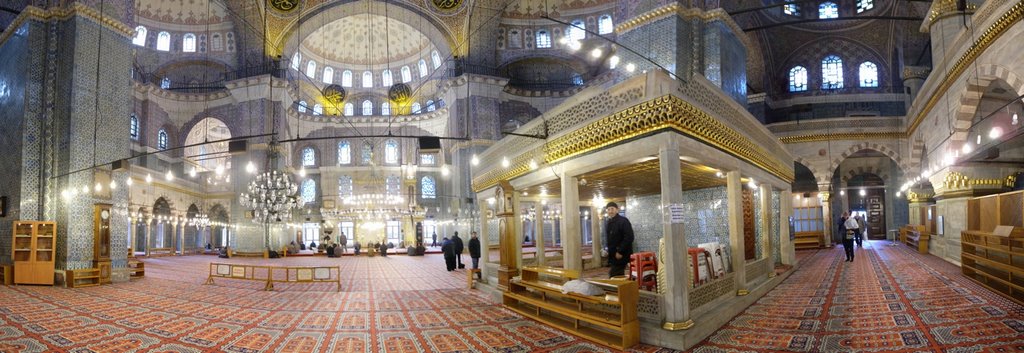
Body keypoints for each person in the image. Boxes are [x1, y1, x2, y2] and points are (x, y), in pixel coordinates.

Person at [604, 202, 634, 277]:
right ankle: (622, 288)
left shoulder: (623, 221)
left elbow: (629, 237)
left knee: (614, 275)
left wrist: (620, 251)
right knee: (618, 275)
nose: (610, 211)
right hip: (614, 254)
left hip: (621, 254)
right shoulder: (609, 222)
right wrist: (608, 250)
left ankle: (619, 288)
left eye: (612, 209)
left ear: (617, 210)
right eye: (608, 209)